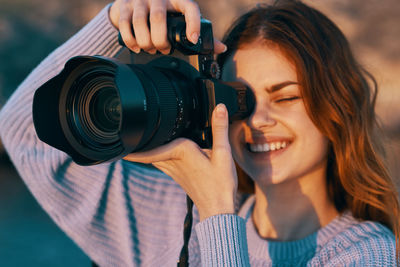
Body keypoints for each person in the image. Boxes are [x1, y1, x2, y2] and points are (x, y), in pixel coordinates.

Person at [0, 0, 398, 266]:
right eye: (237, 99)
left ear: (338, 105)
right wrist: (115, 22)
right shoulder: (169, 213)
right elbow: (24, 133)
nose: (257, 119)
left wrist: (216, 213)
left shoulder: (364, 252)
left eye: (287, 97)